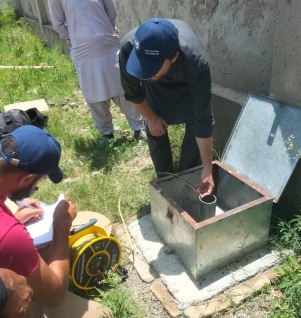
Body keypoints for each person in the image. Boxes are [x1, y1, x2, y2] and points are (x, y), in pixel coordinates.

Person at [0, 125, 113, 317]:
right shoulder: (10, 236)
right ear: (26, 178)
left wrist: (14, 219)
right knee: (102, 314)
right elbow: (55, 295)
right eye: (37, 183)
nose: (35, 187)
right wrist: (61, 224)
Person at [119, 18, 215, 197]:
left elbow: (203, 120)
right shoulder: (128, 48)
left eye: (151, 67)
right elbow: (133, 92)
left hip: (186, 83)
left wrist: (208, 169)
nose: (144, 71)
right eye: (141, 65)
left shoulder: (196, 62)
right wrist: (151, 118)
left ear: (174, 56)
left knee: (195, 126)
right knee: (155, 128)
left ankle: (187, 174)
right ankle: (165, 181)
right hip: (155, 87)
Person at [48, 0, 146, 140]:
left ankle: (139, 127)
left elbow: (111, 11)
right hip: (83, 50)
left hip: (109, 44)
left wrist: (106, 31)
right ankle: (106, 133)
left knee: (123, 85)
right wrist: (77, 37)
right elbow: (58, 23)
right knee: (93, 92)